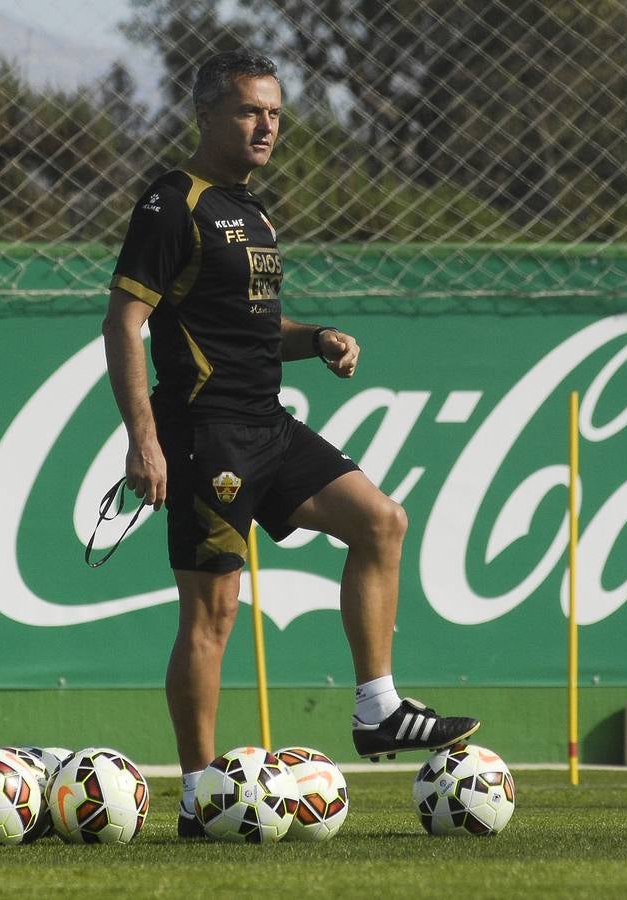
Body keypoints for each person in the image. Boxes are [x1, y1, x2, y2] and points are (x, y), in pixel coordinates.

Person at [100, 49, 479, 838]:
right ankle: (201, 793)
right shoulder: (173, 204)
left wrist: (318, 337)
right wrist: (145, 439)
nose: (267, 124)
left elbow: (253, 328)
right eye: (249, 110)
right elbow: (124, 323)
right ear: (207, 116)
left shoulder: (255, 212)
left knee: (381, 520)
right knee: (214, 614)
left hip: (268, 423)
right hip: (206, 435)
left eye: (274, 112)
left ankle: (378, 709)